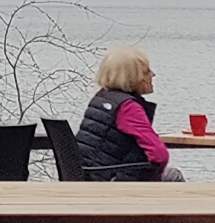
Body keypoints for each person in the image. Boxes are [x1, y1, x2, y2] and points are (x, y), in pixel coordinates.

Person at [76, 47, 177, 181]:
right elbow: (160, 155)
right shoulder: (127, 107)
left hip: (88, 174)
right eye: (146, 71)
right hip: (113, 179)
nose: (152, 75)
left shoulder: (102, 99)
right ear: (133, 77)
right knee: (173, 175)